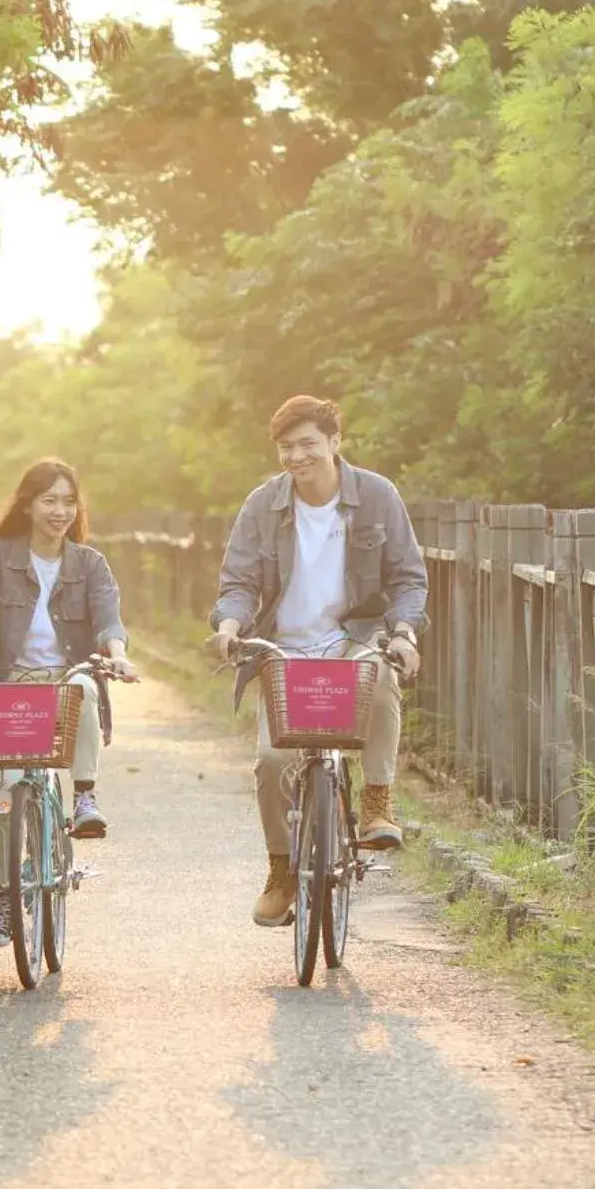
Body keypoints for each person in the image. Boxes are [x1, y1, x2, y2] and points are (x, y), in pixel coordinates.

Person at [205, 395, 427, 928]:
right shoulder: (263, 505)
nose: (297, 455)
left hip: (355, 638)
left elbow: (407, 578)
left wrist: (404, 633)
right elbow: (239, 582)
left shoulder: (376, 497)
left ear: (334, 442)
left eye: (308, 443)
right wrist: (230, 626)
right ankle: (281, 868)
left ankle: (376, 800)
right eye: (286, 447)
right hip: (284, 649)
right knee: (274, 761)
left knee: (378, 676)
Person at [0, 458, 136, 948]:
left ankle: (84, 795)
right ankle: (2, 898)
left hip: (65, 679)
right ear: (27, 504)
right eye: (50, 500)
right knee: (6, 797)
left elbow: (109, 618)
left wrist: (118, 657)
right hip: (7, 685)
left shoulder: (89, 564)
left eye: (69, 501)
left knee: (85, 686)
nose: (61, 510)